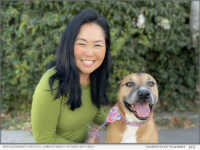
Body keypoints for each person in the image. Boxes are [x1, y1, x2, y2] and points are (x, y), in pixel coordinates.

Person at [31, 9, 111, 143]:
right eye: (82, 43)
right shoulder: (52, 84)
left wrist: (125, 121)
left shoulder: (94, 76)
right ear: (69, 45)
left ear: (106, 48)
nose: (90, 53)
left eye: (97, 45)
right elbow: (43, 138)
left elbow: (95, 112)